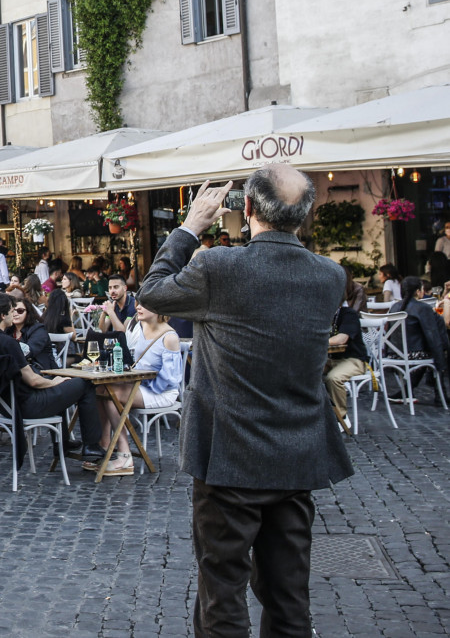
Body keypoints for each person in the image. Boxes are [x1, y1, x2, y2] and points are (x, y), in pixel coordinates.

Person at [138, 164, 353, 637]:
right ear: (305, 213)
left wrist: (191, 227)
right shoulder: (330, 276)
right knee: (289, 598)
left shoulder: (220, 267)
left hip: (229, 457)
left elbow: (151, 292)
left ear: (248, 208)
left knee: (222, 594)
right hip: (297, 454)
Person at [0, 292, 104, 460]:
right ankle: (91, 445)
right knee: (85, 384)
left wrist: (56, 383)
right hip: (26, 405)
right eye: (12, 310)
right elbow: (33, 381)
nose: (14, 314)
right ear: (3, 315)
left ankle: (62, 444)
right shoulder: (8, 342)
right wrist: (54, 382)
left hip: (6, 407)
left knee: (64, 387)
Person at [88, 300, 183, 476]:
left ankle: (124, 454)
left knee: (112, 393)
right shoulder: (141, 327)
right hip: (141, 384)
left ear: (157, 309)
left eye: (144, 305)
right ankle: (106, 444)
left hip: (161, 391)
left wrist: (137, 382)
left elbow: (170, 379)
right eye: (138, 303)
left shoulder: (170, 337)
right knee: (100, 389)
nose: (137, 307)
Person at [388, 276, 450, 394]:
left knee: (430, 345)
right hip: (413, 354)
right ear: (418, 291)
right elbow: (432, 336)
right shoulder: (422, 308)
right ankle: (440, 392)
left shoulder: (394, 307)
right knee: (436, 346)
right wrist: (441, 359)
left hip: (393, 355)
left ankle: (406, 391)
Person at [325, 301, 369, 428]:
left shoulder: (348, 314)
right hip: (329, 358)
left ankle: (341, 418)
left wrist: (316, 341)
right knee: (304, 373)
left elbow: (341, 339)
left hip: (353, 359)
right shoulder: (322, 315)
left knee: (334, 378)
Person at [10, 297, 57, 371]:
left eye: (20, 311)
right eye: (12, 311)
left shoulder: (38, 329)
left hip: (43, 372)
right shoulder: (9, 330)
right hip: (20, 371)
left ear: (28, 312)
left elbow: (29, 351)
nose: (15, 314)